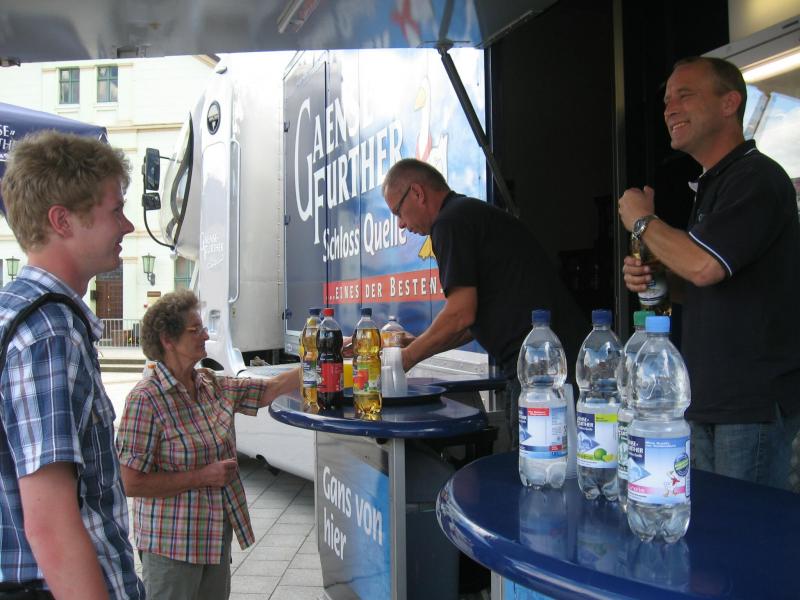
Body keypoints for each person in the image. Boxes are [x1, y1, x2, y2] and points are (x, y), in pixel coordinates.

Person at [618, 56, 800, 489]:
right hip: (709, 401)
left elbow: (704, 266)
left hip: (751, 405)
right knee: (713, 525)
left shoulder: (756, 177)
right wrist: (661, 276)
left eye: (685, 95)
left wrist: (642, 221)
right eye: (666, 101)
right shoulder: (714, 183)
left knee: (745, 529)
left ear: (729, 103)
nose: (670, 109)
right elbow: (705, 281)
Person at [0, 131, 145, 599]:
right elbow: (50, 524)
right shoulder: (49, 332)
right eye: (115, 210)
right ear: (62, 221)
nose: (127, 225)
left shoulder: (16, 310)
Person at [381, 158, 586, 446]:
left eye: (398, 212)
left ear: (417, 193)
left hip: (543, 374)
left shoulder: (449, 222)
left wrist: (404, 359)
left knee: (540, 466)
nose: (401, 224)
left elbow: (460, 315)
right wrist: (418, 343)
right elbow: (471, 321)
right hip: (547, 367)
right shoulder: (467, 214)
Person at [116, 289, 300, 600]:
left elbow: (269, 389)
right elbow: (130, 482)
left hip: (213, 542)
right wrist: (202, 476)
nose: (205, 335)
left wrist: (321, 360)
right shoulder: (145, 400)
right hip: (171, 549)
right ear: (168, 340)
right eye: (195, 329)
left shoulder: (210, 384)